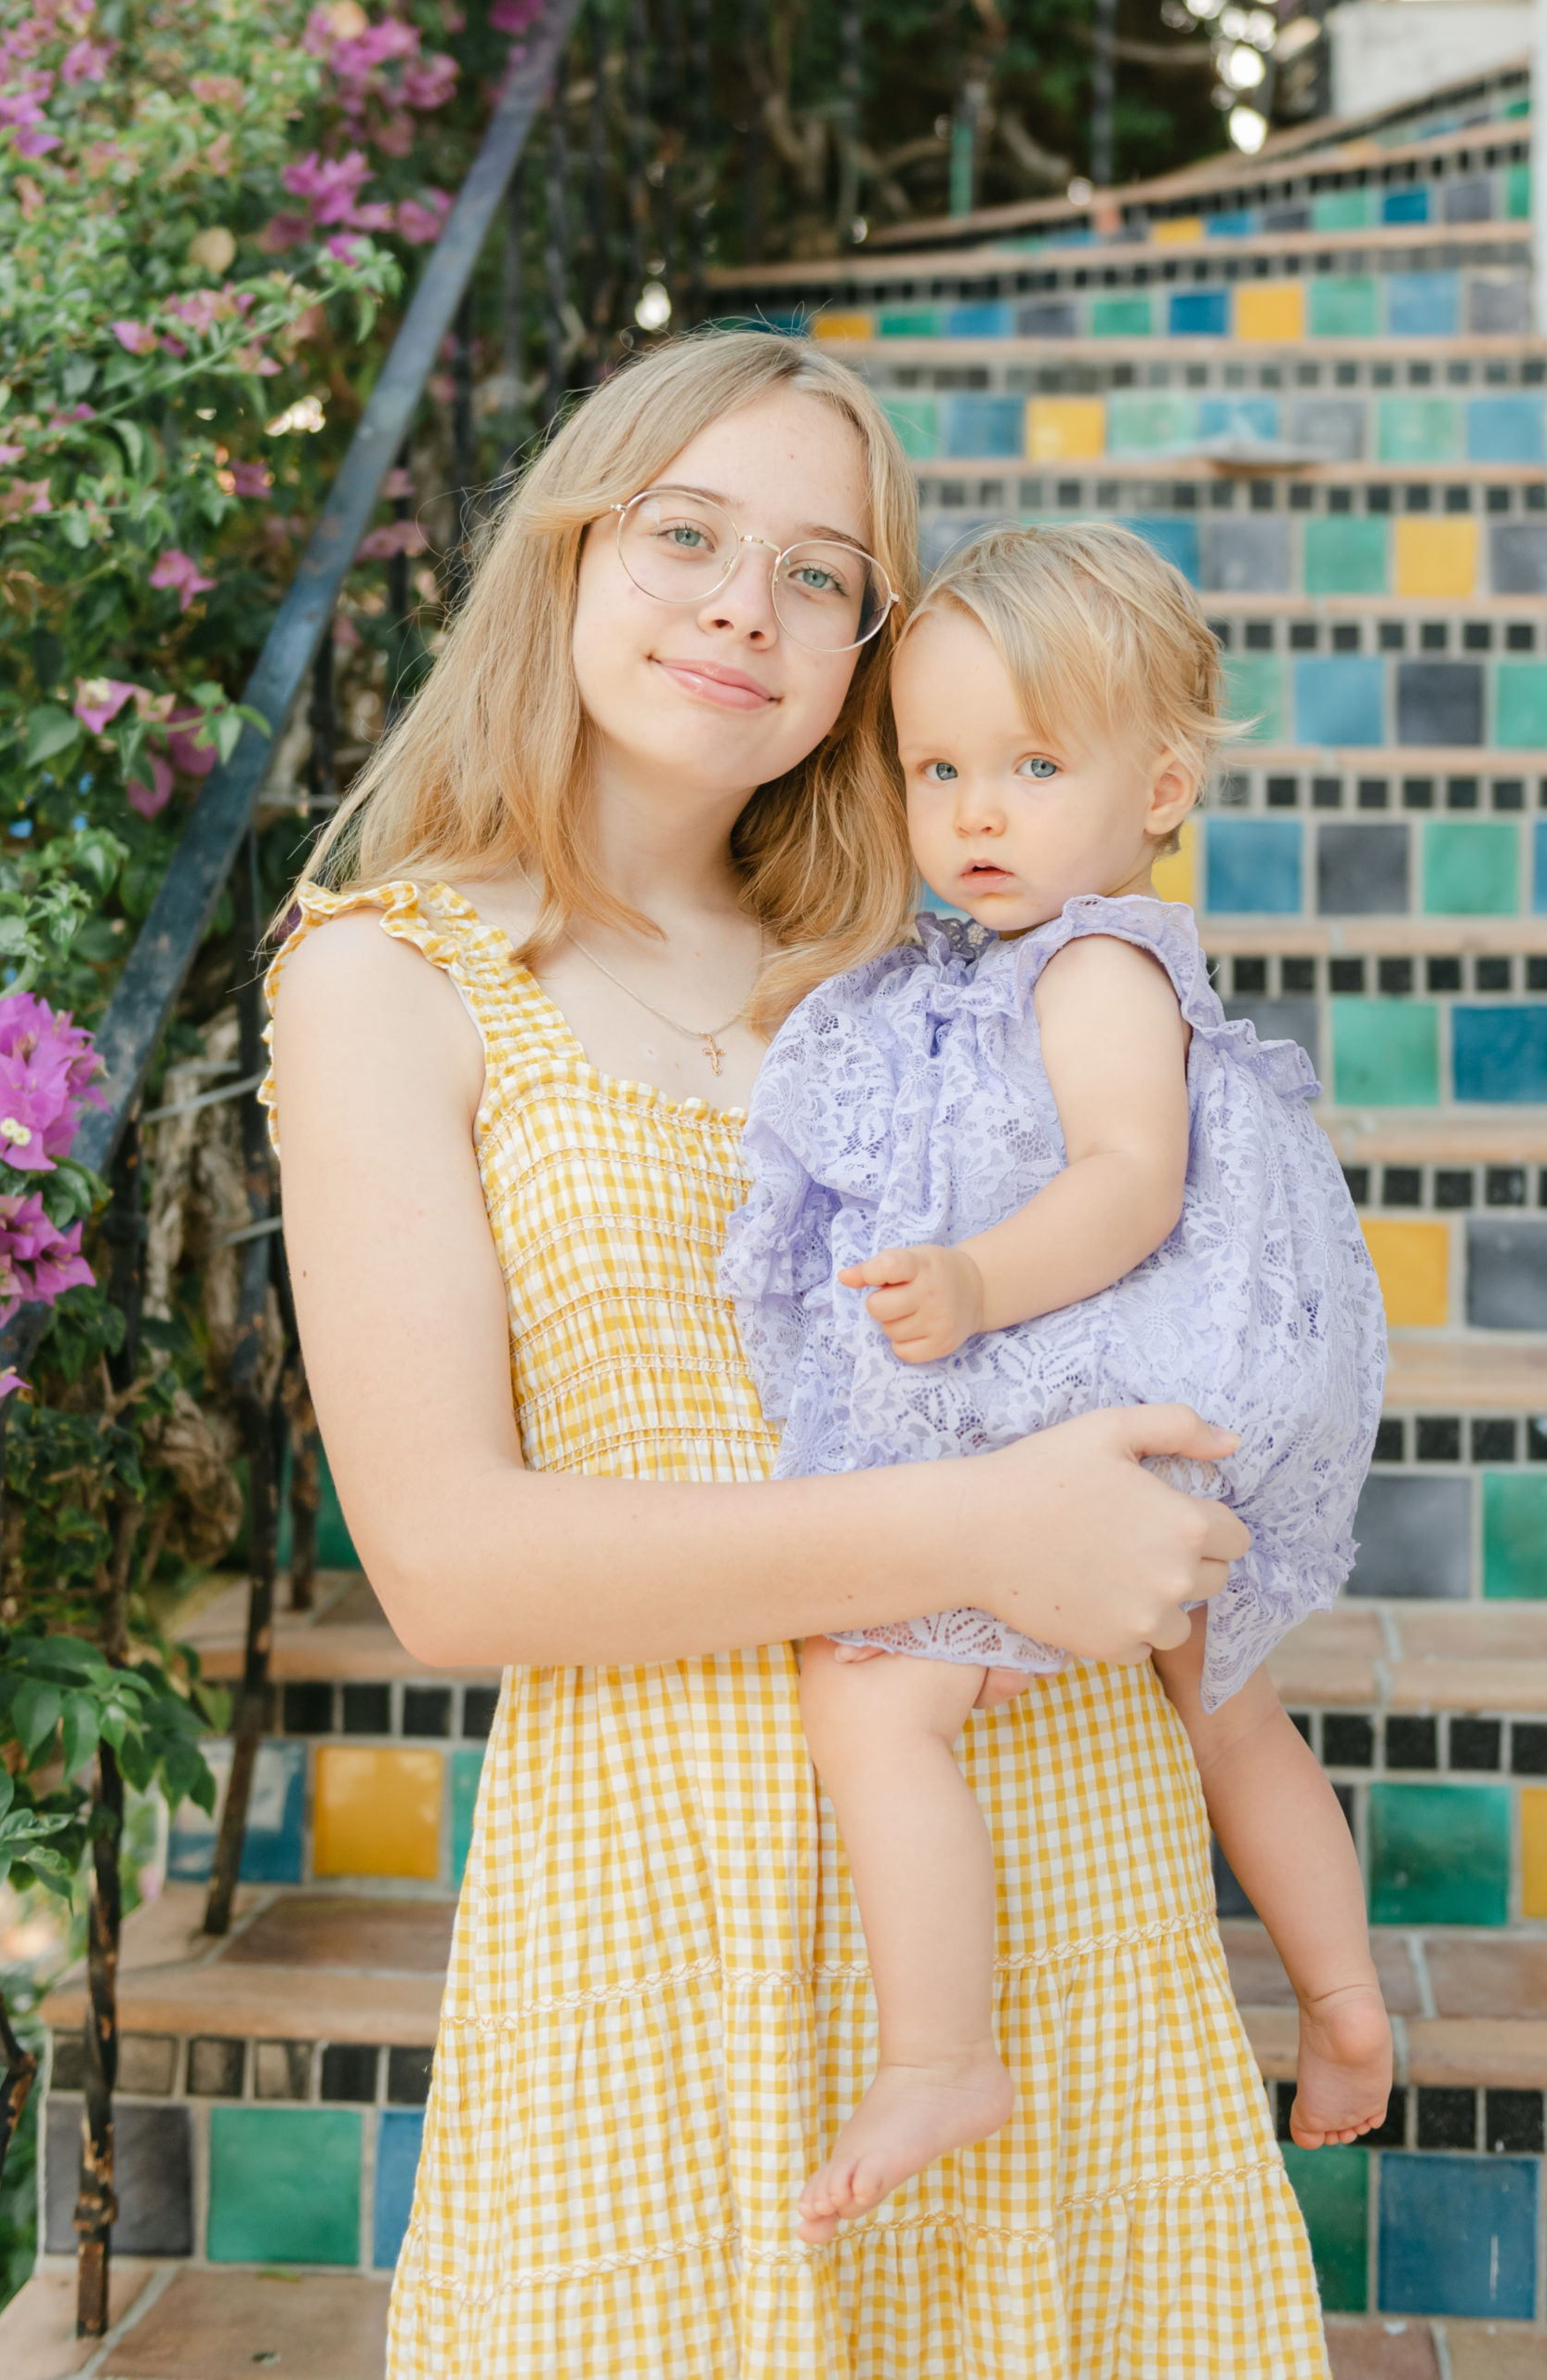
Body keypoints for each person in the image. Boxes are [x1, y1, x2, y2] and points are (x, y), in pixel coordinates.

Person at [265, 331, 1329, 2377]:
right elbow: (447, 1564)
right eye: (684, 533)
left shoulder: (938, 962)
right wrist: (985, 1521)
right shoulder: (391, 974)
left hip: (1045, 1866)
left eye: (820, 573)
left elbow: (1186, 1275)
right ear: (568, 558)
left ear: (868, 652)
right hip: (662, 1902)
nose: (744, 603)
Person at [721, 519, 1393, 2249]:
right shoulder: (1000, 964)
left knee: (876, 1692)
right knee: (1226, 1705)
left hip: (1113, 1376)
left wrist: (970, 1281)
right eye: (937, 767)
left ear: (1162, 784)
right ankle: (1341, 2002)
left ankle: (941, 2053)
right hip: (1151, 1399)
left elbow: (1126, 1180)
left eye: (1032, 762)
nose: (977, 814)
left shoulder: (1098, 966)